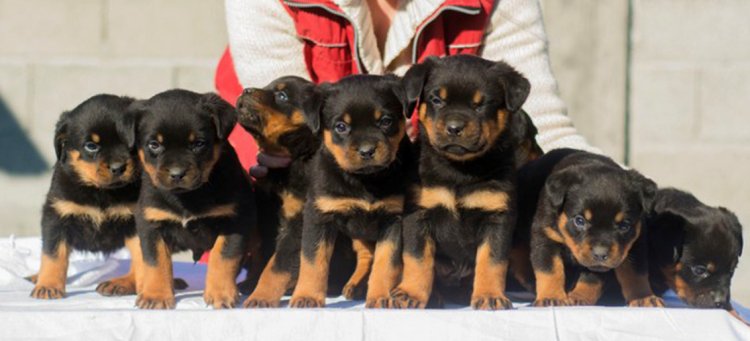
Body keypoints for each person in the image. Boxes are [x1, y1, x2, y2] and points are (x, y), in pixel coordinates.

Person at [216, 0, 599, 177]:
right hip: (279, 204)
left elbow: (541, 127)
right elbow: (296, 136)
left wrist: (608, 182)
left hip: (437, 208)